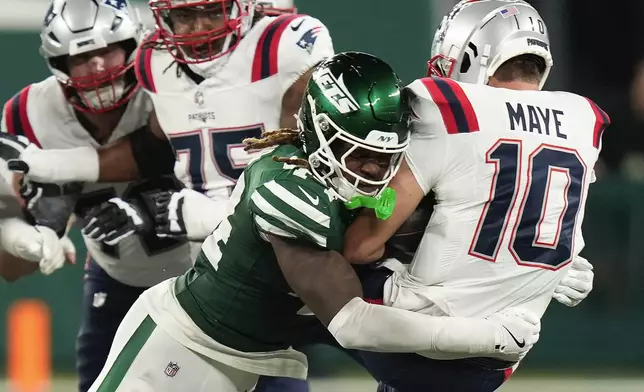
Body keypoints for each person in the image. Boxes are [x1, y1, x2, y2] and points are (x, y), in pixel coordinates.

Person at [86, 52, 539, 392]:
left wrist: (550, 269)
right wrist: (486, 335)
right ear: (319, 133)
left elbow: (473, 227)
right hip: (187, 344)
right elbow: (351, 324)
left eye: (386, 159)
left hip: (268, 357)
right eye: (361, 155)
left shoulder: (368, 182)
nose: (375, 174)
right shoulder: (287, 184)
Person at [343, 1, 604, 391]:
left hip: (420, 344)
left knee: (299, 244)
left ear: (470, 56)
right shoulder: (584, 118)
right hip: (499, 361)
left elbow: (361, 248)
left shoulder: (452, 110)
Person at [0, 1, 194, 391]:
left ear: (133, 44)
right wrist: (31, 239)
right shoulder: (27, 114)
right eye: (82, 56)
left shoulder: (169, 88)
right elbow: (9, 268)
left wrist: (59, 169)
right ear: (58, 64)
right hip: (117, 280)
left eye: (107, 50)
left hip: (206, 276)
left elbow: (156, 158)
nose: (97, 66)